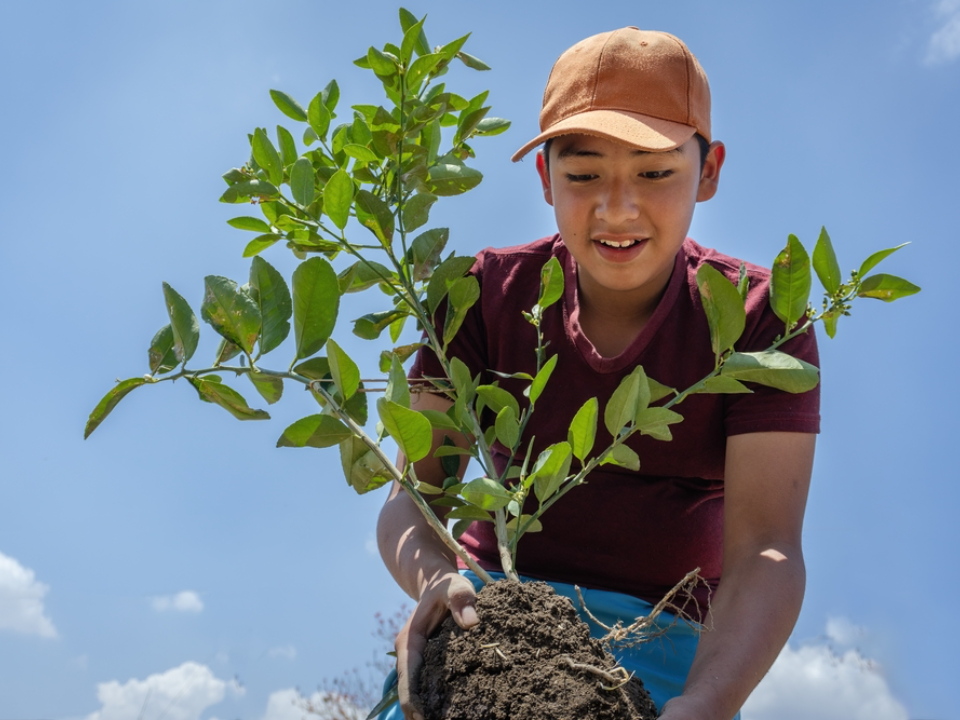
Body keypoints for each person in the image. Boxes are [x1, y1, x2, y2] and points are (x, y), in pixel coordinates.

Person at [376, 26, 819, 720]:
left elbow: (767, 546)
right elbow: (414, 498)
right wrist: (436, 579)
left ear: (708, 172)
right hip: (489, 613)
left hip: (671, 644)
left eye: (655, 172)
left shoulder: (760, 320)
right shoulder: (481, 297)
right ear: (545, 177)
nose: (617, 208)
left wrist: (708, 701)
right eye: (583, 175)